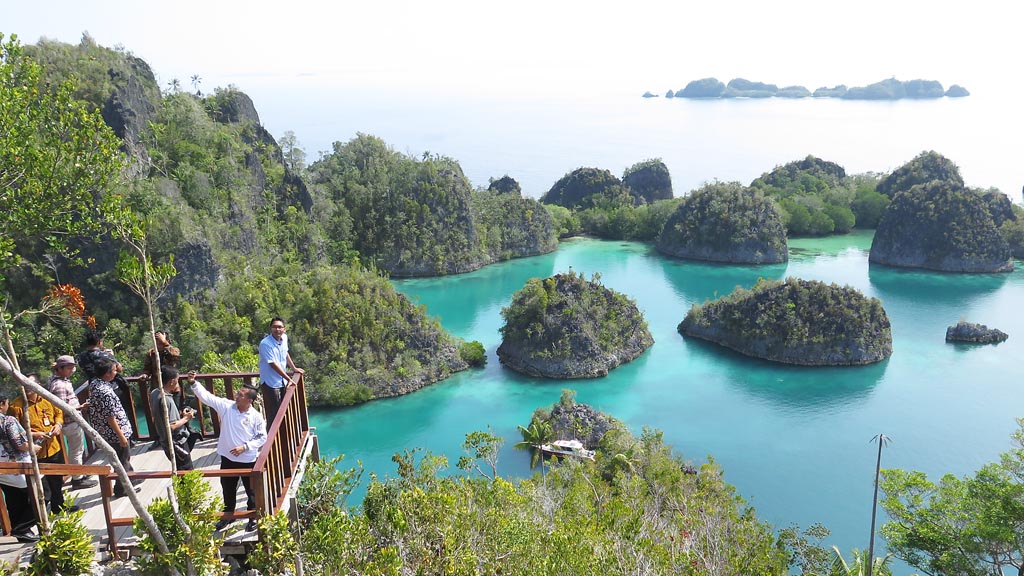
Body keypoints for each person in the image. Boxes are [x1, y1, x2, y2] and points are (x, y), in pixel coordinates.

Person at [188, 372, 266, 532]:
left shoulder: (256, 417)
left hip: (248, 460)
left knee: (251, 491)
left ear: (250, 401)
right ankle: (228, 516)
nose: (237, 396)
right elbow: (207, 397)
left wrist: (244, 447)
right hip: (228, 458)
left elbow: (262, 437)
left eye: (241, 395)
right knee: (227, 489)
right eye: (238, 393)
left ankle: (253, 518)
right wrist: (194, 383)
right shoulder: (227, 407)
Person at [8, 375, 76, 514]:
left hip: (53, 447)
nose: (27, 388)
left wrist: (58, 424)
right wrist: (34, 435)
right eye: (24, 385)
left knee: (57, 481)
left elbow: (59, 413)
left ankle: (59, 507)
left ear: (37, 385)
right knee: (42, 487)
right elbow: (13, 432)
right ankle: (40, 514)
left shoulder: (47, 399)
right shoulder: (16, 406)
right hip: (34, 452)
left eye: (29, 385)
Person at [85, 356, 138, 498]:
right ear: (107, 373)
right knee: (122, 459)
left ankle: (131, 479)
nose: (116, 373)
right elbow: (110, 417)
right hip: (114, 432)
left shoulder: (95, 383)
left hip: (104, 431)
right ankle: (122, 489)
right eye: (114, 371)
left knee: (123, 458)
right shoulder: (105, 392)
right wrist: (121, 436)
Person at [77, 329, 137, 441]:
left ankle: (110, 439)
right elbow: (119, 369)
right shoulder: (104, 355)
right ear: (99, 341)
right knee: (118, 414)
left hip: (94, 388)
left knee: (104, 416)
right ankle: (125, 438)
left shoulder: (81, 357)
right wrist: (112, 356)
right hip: (112, 387)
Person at [48, 355, 96, 489]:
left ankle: (79, 474)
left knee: (77, 449)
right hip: (70, 422)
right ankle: (77, 479)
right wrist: (80, 407)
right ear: (60, 368)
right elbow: (61, 408)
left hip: (72, 421)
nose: (71, 371)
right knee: (76, 450)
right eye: (69, 368)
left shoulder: (61, 381)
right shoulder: (59, 385)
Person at [0, 393, 40, 543]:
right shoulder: (8, 420)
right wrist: (33, 448)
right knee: (42, 493)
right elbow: (19, 443)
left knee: (14, 499)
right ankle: (22, 528)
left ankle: (22, 531)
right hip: (16, 464)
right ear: (1, 404)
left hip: (1, 469)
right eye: (6, 403)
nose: (8, 406)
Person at [149, 365, 199, 470]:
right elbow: (171, 426)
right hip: (177, 441)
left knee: (178, 467)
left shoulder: (154, 393)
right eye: (177, 380)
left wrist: (181, 414)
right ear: (172, 381)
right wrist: (186, 418)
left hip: (165, 440)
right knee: (186, 469)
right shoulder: (166, 399)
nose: (177, 383)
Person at [258, 317, 304, 425]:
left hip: (281, 381)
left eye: (279, 327)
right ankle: (271, 439)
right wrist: (288, 378)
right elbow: (272, 364)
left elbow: (285, 353)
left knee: (284, 410)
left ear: (284, 329)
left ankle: (284, 435)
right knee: (274, 413)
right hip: (270, 383)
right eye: (274, 327)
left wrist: (294, 369)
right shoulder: (265, 344)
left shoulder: (284, 338)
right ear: (270, 329)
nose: (277, 329)